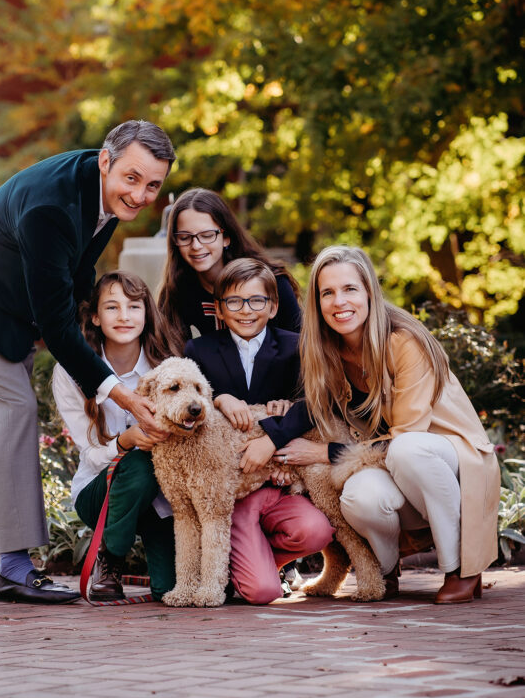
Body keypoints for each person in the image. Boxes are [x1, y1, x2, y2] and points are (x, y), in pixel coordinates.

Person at [0, 120, 176, 603]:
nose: (141, 194)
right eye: (132, 178)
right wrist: (113, 387)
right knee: (16, 408)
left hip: (9, 306)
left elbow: (78, 275)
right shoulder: (51, 209)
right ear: (106, 160)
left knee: (0, 417)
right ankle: (16, 566)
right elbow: (55, 324)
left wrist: (91, 347)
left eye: (153, 185)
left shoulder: (100, 192)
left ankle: (1, 564)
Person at [267, 245, 500, 604]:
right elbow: (315, 412)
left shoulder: (403, 341)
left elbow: (406, 437)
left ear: (369, 292)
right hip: (386, 460)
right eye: (327, 292)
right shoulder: (324, 351)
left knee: (407, 451)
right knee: (359, 495)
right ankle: (385, 571)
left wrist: (325, 452)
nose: (338, 301)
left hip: (448, 458)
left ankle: (462, 570)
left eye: (349, 289)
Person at [184, 258, 333, 604]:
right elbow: (190, 399)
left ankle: (261, 560)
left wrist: (273, 438)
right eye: (234, 301)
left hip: (278, 484)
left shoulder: (297, 345)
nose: (245, 310)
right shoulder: (200, 350)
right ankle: (252, 568)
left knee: (317, 530)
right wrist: (220, 397)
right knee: (262, 592)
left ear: (274, 305)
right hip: (231, 492)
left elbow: (315, 403)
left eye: (256, 301)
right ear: (219, 309)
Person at [52, 272, 176, 602]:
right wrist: (127, 440)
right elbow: (91, 453)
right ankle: (110, 558)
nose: (124, 317)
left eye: (134, 306)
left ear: (147, 313)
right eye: (112, 307)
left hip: (161, 500)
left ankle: (155, 562)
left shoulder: (166, 366)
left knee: (170, 590)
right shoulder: (69, 371)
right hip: (99, 493)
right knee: (137, 464)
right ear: (94, 316)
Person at [158, 188, 301, 354]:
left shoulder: (272, 282)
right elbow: (171, 356)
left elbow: (301, 345)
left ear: (226, 238)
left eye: (207, 235)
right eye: (185, 237)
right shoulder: (179, 290)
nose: (196, 246)